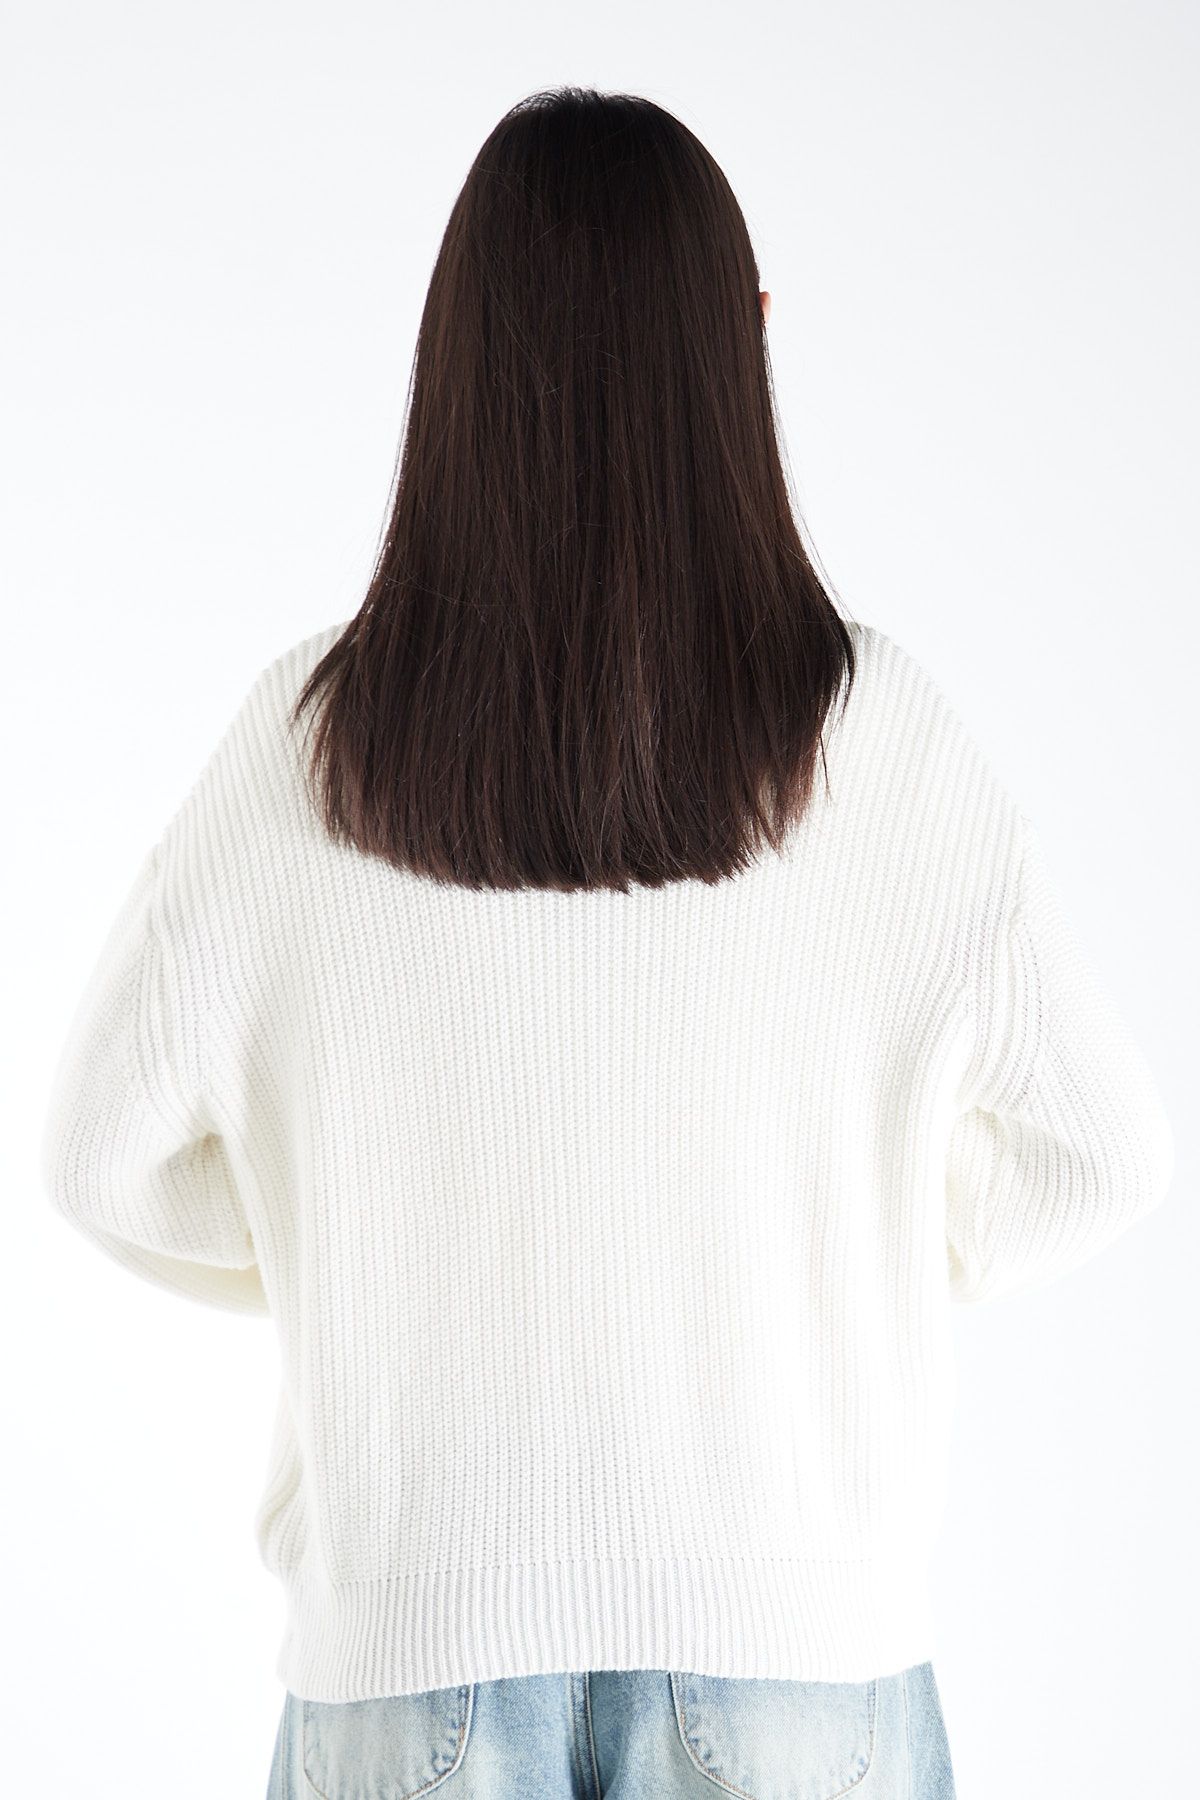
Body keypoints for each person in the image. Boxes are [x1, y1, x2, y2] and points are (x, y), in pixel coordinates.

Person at [40, 86, 1174, 1800]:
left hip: (407, 1652)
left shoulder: (304, 743)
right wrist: (830, 1240)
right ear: (745, 342)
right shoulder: (888, 740)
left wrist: (357, 1233)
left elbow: (98, 1155)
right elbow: (1107, 1154)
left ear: (454, 360)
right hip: (801, 1659)